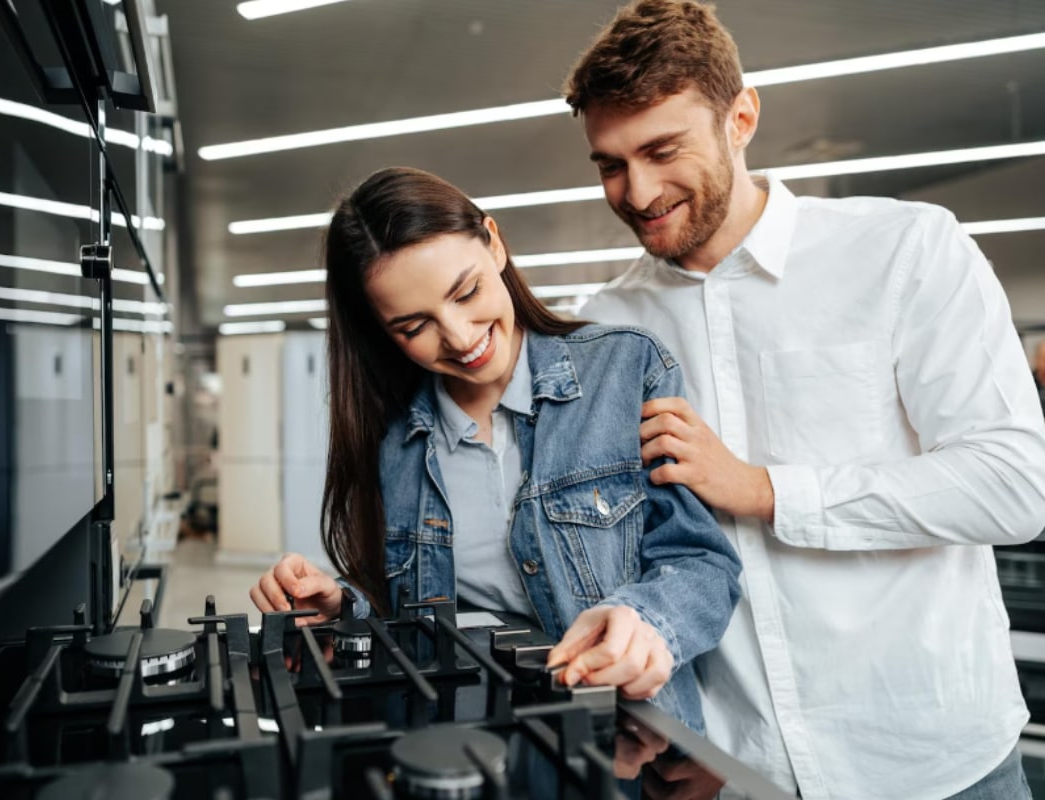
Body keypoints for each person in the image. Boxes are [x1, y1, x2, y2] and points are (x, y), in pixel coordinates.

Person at [563, 2, 1045, 799]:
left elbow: (1015, 484)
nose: (637, 191)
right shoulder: (606, 325)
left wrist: (763, 489)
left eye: (661, 150)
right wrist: (685, 723)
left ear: (741, 118)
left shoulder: (905, 249)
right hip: (736, 770)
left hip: (935, 764)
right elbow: (633, 550)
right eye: (610, 164)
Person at [249, 166, 741, 735]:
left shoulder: (625, 369)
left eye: (467, 292)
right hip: (464, 748)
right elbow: (401, 610)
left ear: (494, 243)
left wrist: (647, 623)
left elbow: (702, 563)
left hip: (628, 743)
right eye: (414, 326)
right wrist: (341, 606)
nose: (460, 337)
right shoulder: (394, 441)